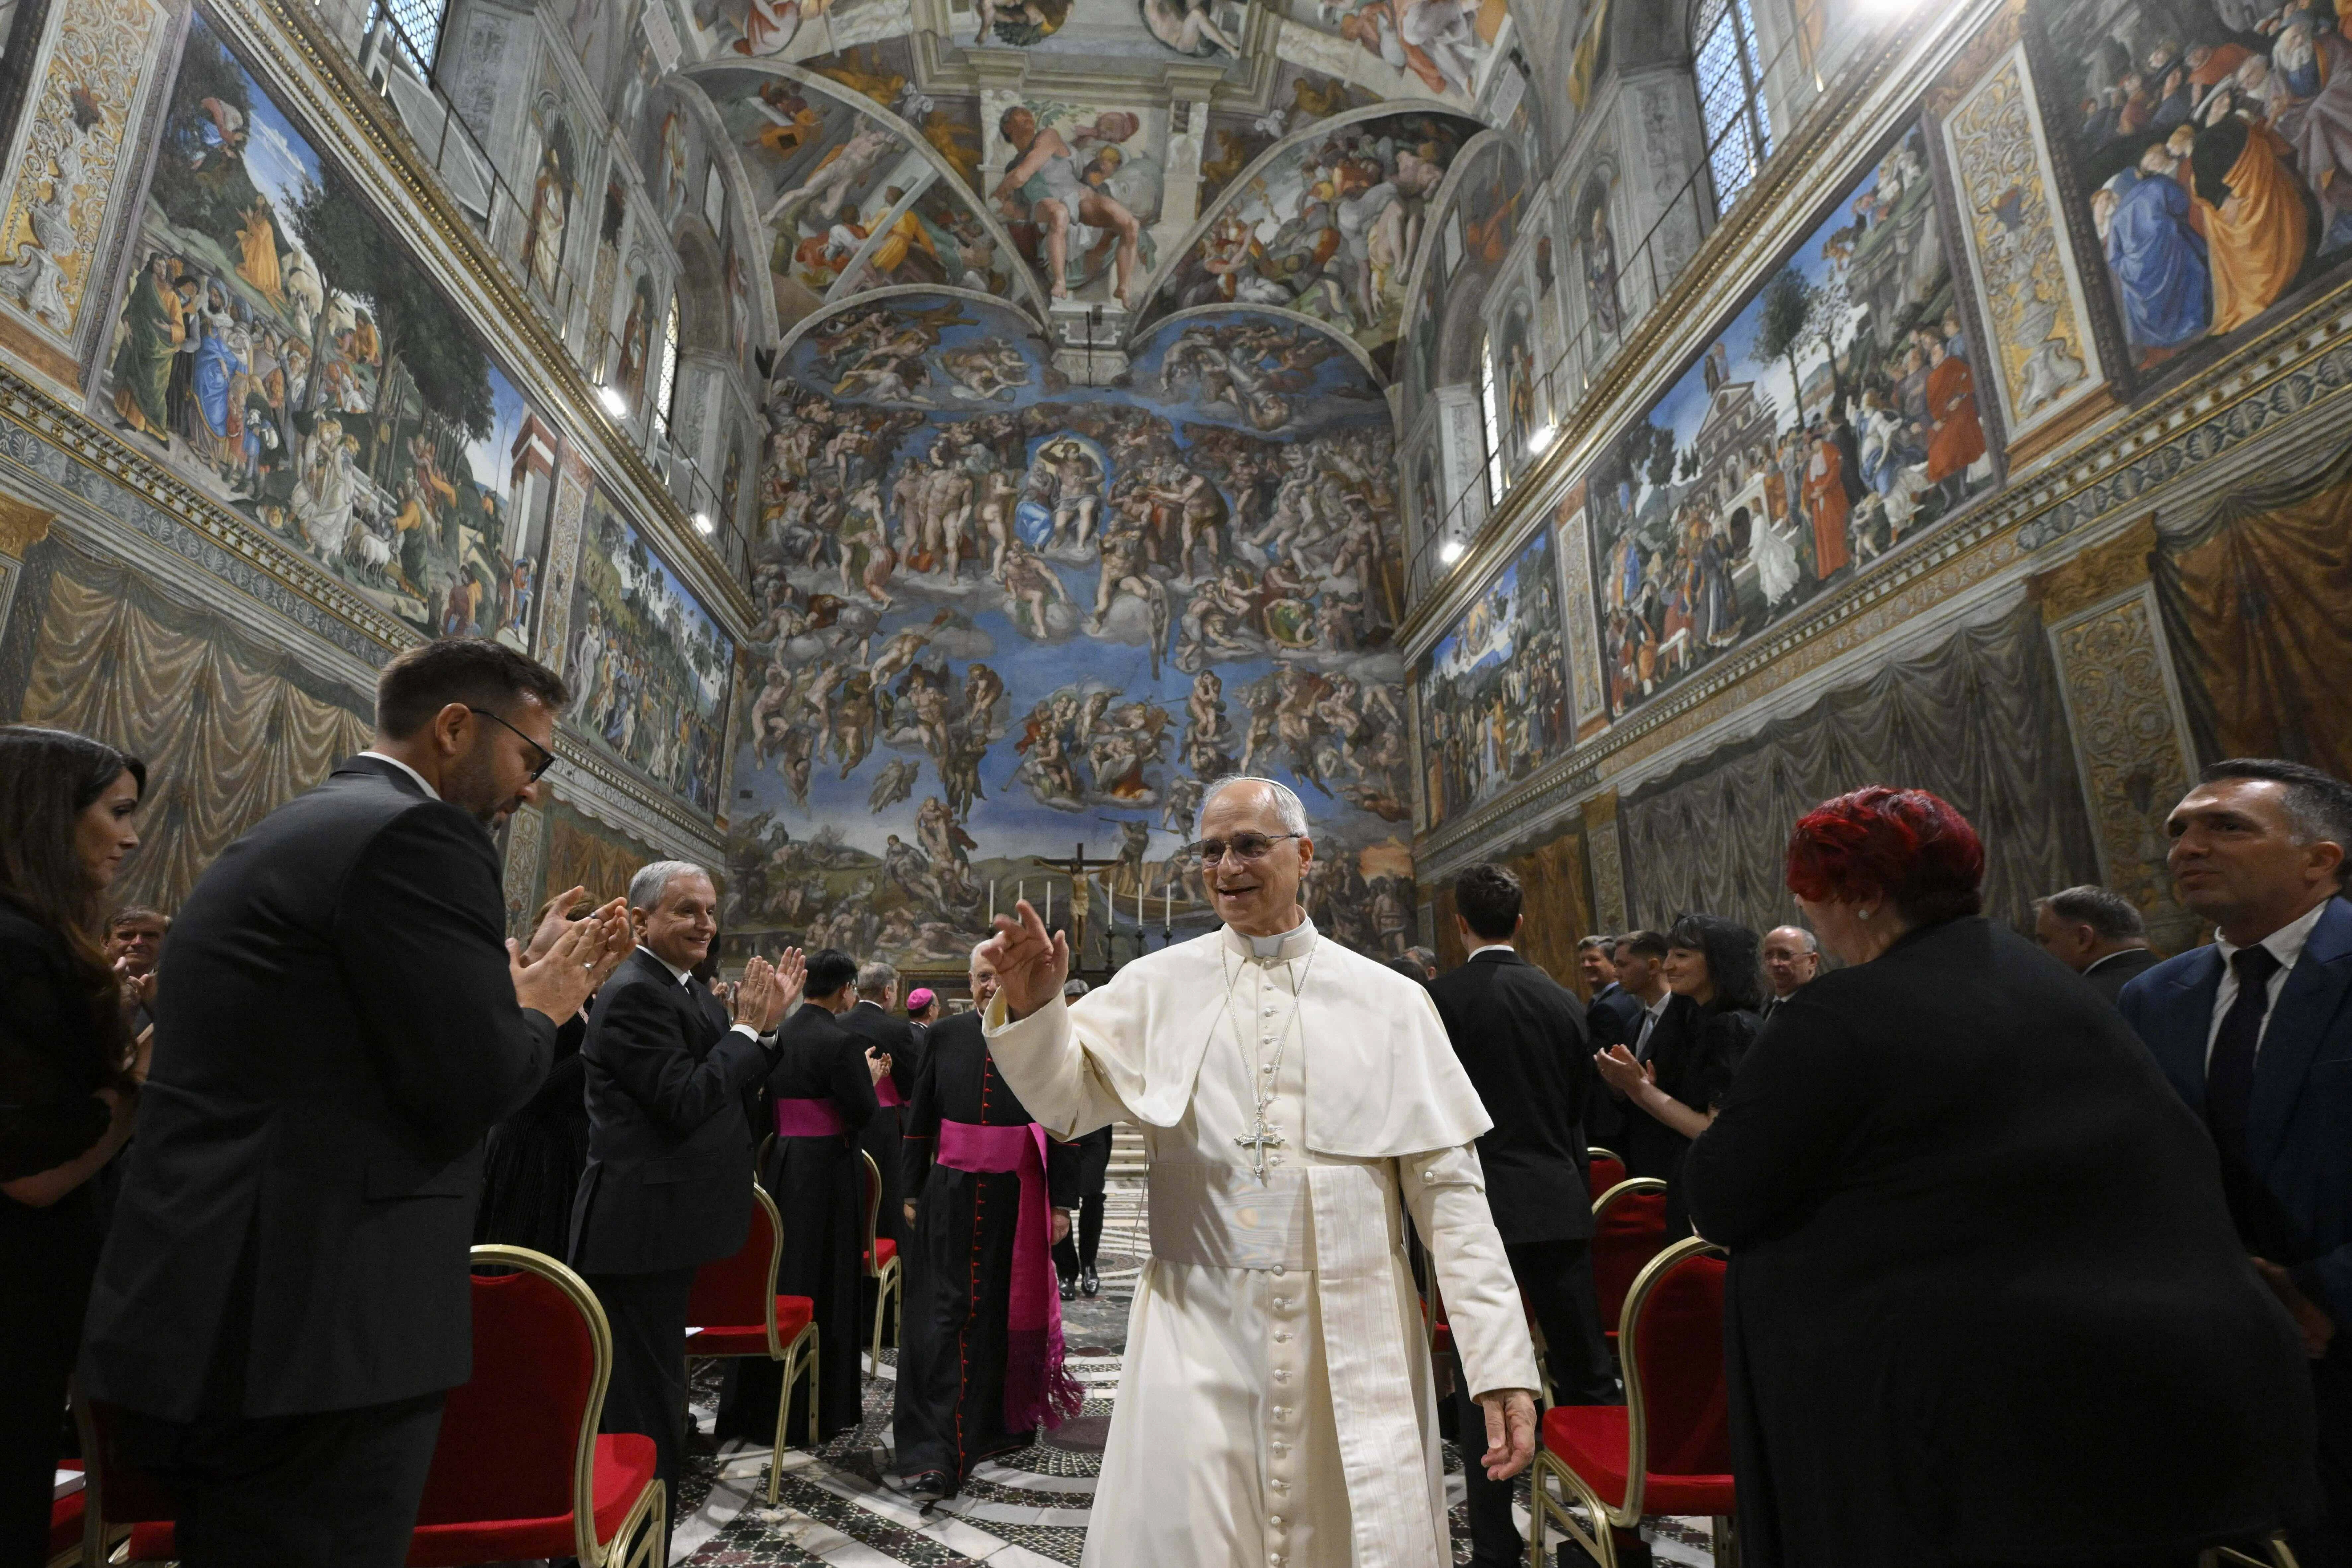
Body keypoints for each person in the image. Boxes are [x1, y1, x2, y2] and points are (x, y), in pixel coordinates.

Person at [80, 639, 631, 1568]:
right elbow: (477, 1082)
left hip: (231, 1305)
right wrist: (541, 1006)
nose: (533, 790)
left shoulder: (305, 822)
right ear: (457, 726)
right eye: (531, 759)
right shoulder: (421, 837)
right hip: (321, 1323)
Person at [1687, 785, 2313, 1568]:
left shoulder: (1839, 1010)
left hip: (1983, 1437)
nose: (1812, 917)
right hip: (2173, 1401)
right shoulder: (2048, 980)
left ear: (1860, 894)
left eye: (1810, 897)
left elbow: (1722, 1196)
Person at [977, 775, 1539, 1568]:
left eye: (1248, 845)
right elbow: (1067, 1104)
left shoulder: (1391, 1004)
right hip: (1195, 1323)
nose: (1226, 866)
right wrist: (1037, 1013)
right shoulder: (1152, 987)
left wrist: (1498, 1362)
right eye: (1209, 850)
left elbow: (1452, 1200)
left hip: (1353, 1331)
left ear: (1304, 855)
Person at [2120, 760, 2352, 1566]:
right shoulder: (2153, 999)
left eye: (2226, 827)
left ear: (2318, 858)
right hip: (2224, 1350)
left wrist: (2324, 1290)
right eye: (2179, 828)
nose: (2188, 845)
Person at [570, 862, 797, 1524]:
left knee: (659, 1385)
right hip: (637, 1227)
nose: (705, 922)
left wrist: (765, 1030)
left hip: (670, 1224)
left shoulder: (686, 989)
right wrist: (749, 1031)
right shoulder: (637, 991)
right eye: (686, 910)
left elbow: (728, 1072)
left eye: (709, 908)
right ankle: (631, 1525)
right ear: (640, 921)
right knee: (639, 1399)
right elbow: (688, 1097)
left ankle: (648, 1513)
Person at [1424, 864, 1615, 1568]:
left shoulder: (1439, 1000)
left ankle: (1497, 1544)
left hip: (1476, 1207)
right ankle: (1606, 1538)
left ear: (1460, 924)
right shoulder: (1563, 998)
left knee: (1488, 1370)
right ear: (1523, 921)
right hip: (1559, 1199)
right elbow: (1581, 1110)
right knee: (1585, 1367)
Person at [0, 728, 147, 1565]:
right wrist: (140, 1078)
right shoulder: (17, 948)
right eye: (117, 813)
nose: (131, 837)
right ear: (47, 816)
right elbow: (33, 1170)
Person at [889, 942, 1080, 1502]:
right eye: (979, 978)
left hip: (1018, 1197)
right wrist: (910, 1189)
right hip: (950, 1193)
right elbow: (919, 1118)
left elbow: (1064, 1123)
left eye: (997, 977)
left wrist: (1062, 1204)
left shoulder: (1044, 1035)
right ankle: (933, 1448)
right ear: (967, 983)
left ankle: (995, 1426)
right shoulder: (944, 1037)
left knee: (998, 1310)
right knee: (942, 1315)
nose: (988, 987)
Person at [726, 948, 885, 1448]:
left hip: (781, 1166)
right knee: (826, 1275)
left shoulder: (779, 1035)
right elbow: (862, 1112)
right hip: (829, 1171)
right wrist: (872, 1083)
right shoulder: (844, 1042)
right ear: (844, 991)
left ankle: (757, 1403)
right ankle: (819, 1409)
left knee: (778, 1271)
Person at [1594, 913, 1760, 1235]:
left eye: (1682, 955)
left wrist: (1641, 1090)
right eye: (1669, 954)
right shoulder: (1696, 1022)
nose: (1668, 965)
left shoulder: (1731, 1026)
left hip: (1721, 1189)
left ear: (1717, 961)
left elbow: (1714, 1129)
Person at [475, 886, 600, 1255]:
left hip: (571, 1144)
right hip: (532, 1145)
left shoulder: (589, 992)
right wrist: (599, 1054)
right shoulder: (528, 982)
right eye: (580, 930)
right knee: (521, 1254)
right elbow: (527, 1075)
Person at [841, 958, 919, 1263]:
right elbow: (911, 1083)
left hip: (846, 1122)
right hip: (884, 1125)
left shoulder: (838, 1023)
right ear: (888, 991)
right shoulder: (896, 1029)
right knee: (885, 1197)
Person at [1050, 978, 1113, 1301]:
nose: (1075, 1008)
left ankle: (1089, 1264)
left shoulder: (1102, 1034)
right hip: (1060, 1127)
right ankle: (1066, 1272)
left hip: (1094, 1127)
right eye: (1069, 1002)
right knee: (1059, 1199)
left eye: (1080, 1001)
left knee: (1092, 1194)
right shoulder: (1052, 1035)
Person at [2034, 884, 2159, 1005]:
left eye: (2045, 941)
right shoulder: (2175, 977)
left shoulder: (2070, 1001)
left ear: (2083, 939)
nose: (2041, 953)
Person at [104, 904, 169, 1037]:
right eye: (126, 935)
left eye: (150, 936)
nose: (138, 943)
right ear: (106, 944)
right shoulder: (85, 987)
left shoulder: (180, 992)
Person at [1757, 924, 1820, 1021]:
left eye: (1785, 955)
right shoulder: (1761, 1008)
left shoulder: (1822, 1009)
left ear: (1812, 961)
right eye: (1769, 955)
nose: (1775, 963)